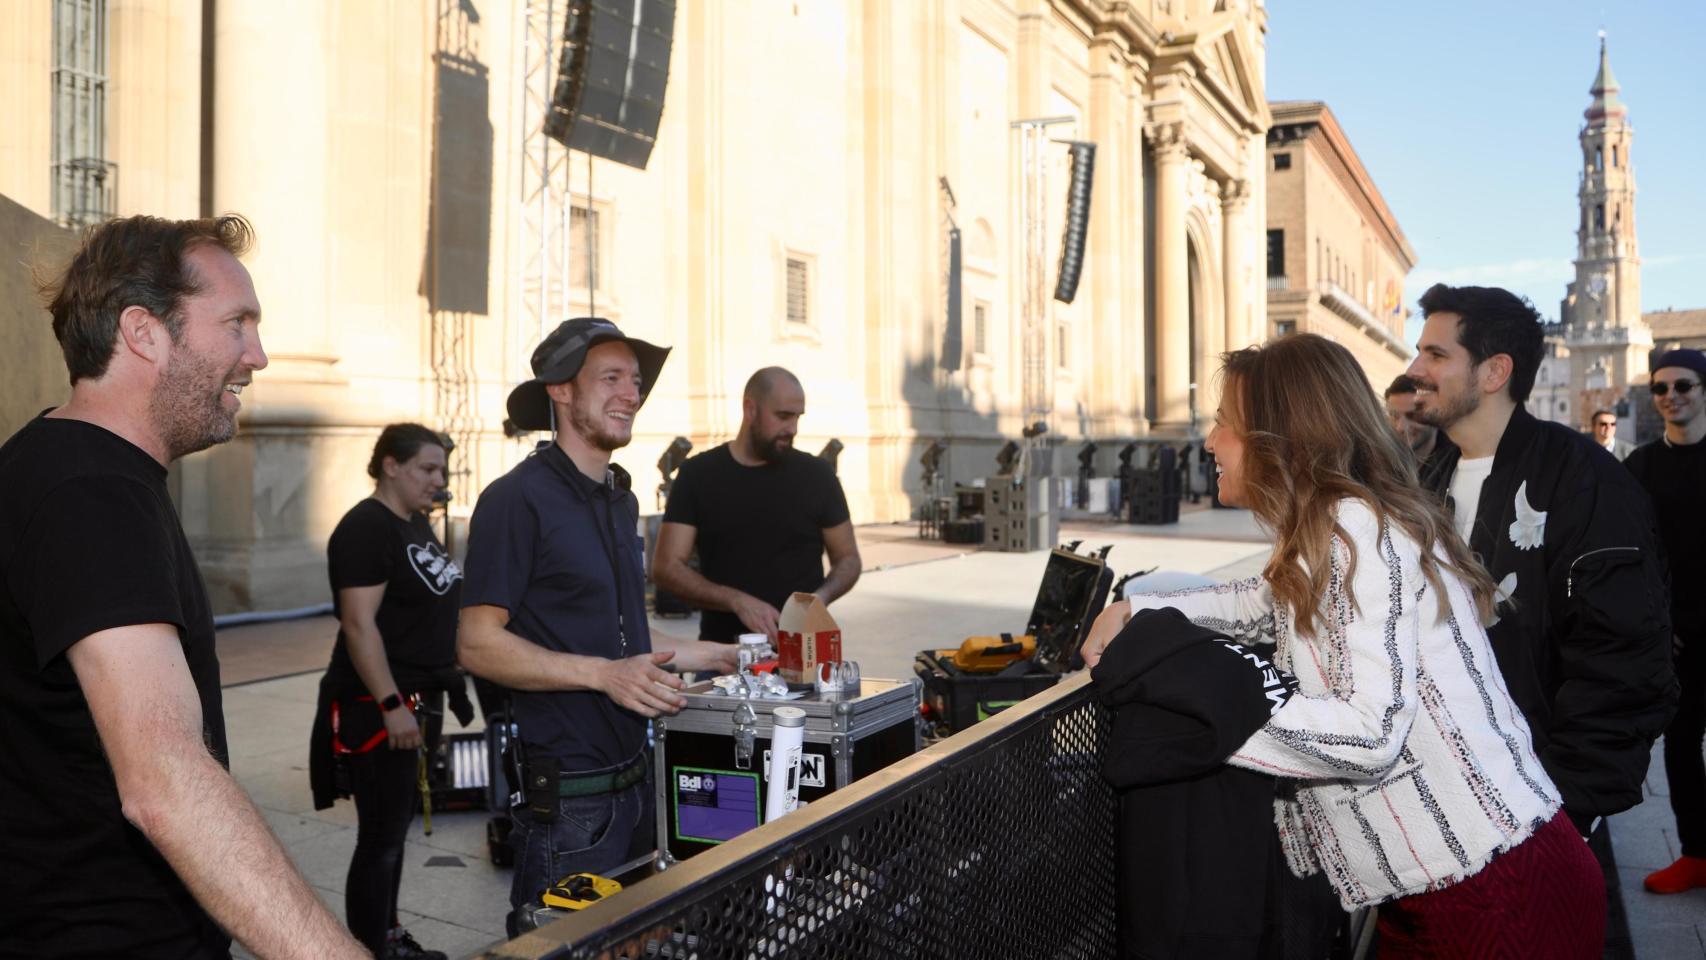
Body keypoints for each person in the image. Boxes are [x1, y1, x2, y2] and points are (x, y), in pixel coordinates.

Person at [1083, 334, 1604, 957]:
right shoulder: (1334, 527)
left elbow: (1369, 733)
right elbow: (1257, 599)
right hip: (1448, 890)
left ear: (1279, 436)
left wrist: (1207, 718)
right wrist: (1135, 608)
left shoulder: (1356, 529)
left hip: (1495, 896)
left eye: (1224, 423)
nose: (1210, 441)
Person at [0, 215, 365, 958]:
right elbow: (164, 781)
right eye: (237, 324)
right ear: (144, 332)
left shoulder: (63, 468)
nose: (257, 355)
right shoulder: (91, 493)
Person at [456, 317, 737, 933]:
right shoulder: (516, 499)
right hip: (571, 802)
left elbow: (619, 633)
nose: (631, 394)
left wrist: (713, 654)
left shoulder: (620, 498)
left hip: (638, 783)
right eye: (610, 377)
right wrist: (604, 676)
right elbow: (476, 643)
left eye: (634, 382)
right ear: (560, 390)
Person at [1405, 283, 1674, 856]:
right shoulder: (1424, 481)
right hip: (1437, 801)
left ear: (1494, 371)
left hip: (1537, 809)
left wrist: (1563, 807)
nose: (1414, 369)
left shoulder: (1585, 481)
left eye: (1435, 354)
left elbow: (1622, 657)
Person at [309, 423, 468, 959]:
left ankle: (390, 937)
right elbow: (359, 624)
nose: (438, 480)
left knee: (396, 830)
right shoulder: (366, 528)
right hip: (378, 705)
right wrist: (392, 705)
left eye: (441, 469)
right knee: (379, 837)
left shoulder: (414, 523)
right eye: (428, 468)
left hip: (417, 698)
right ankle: (368, 948)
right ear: (390, 465)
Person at [653, 367, 861, 642]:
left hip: (807, 654)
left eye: (798, 417)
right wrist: (736, 601)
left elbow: (848, 559)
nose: (793, 428)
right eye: (783, 416)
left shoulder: (818, 475)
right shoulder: (698, 474)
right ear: (750, 409)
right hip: (723, 659)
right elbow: (666, 568)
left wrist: (819, 599)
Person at [1624, 349, 1706, 893]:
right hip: (1677, 634)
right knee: (1679, 744)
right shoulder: (1640, 468)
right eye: (1660, 388)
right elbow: (1635, 553)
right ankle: (1698, 853)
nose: (1670, 396)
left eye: (1683, 386)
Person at [1383, 374, 1442, 467]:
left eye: (1413, 415)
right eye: (1394, 415)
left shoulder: (1455, 468)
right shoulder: (1378, 463)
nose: (1400, 427)